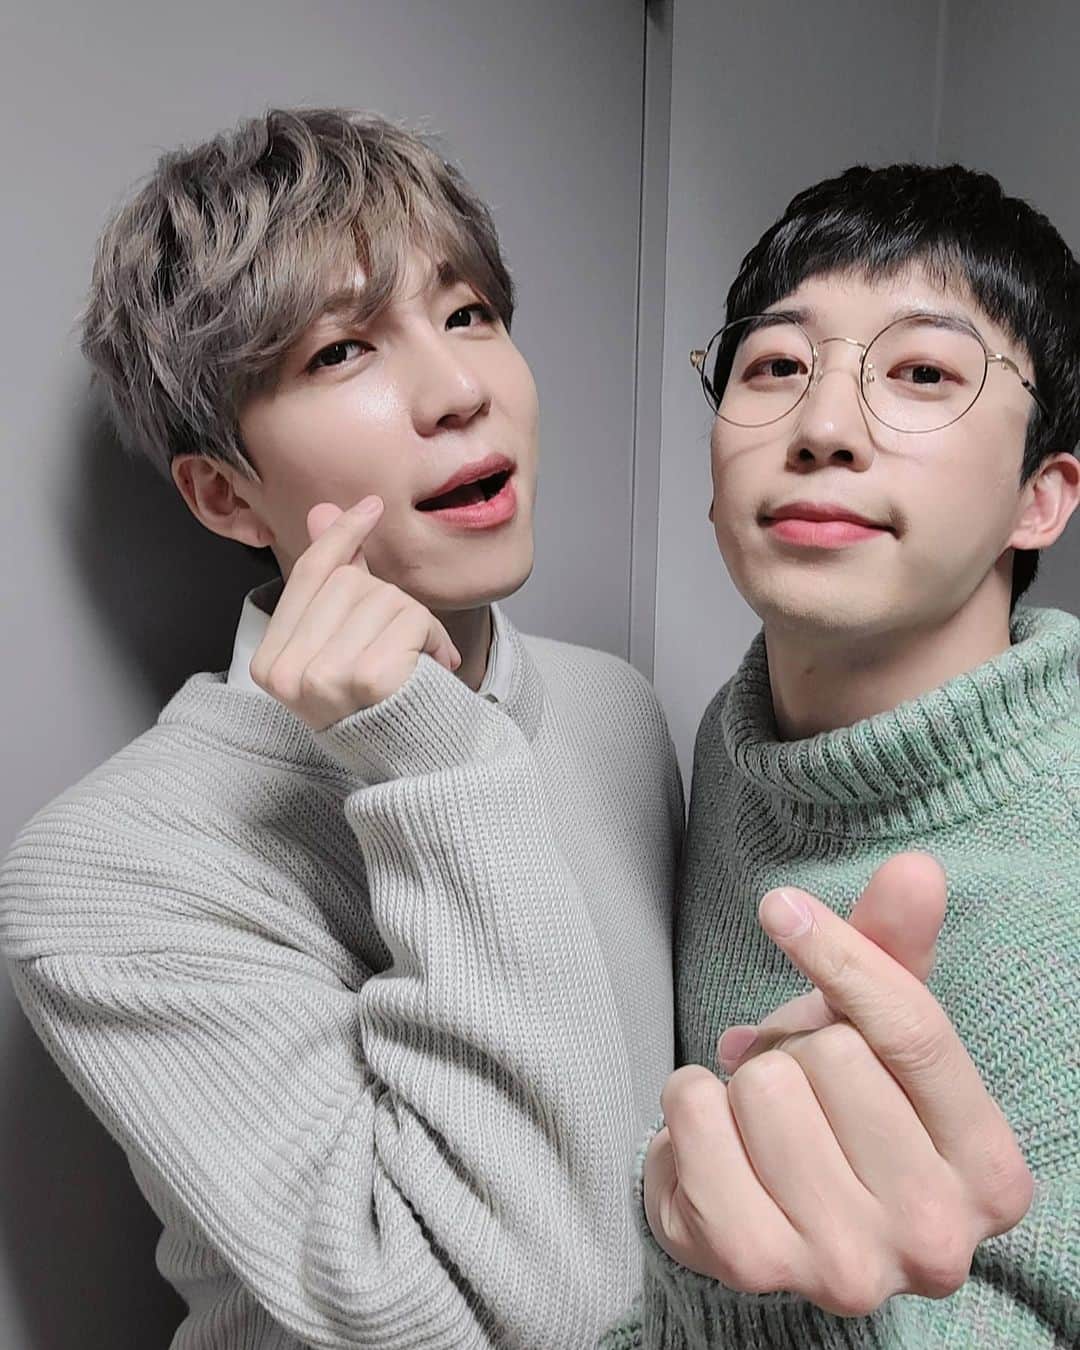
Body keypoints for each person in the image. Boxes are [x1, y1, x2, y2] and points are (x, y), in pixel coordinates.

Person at [0, 110, 1033, 1349]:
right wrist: (431, 768)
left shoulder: (614, 712)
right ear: (225, 493)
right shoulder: (110, 868)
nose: (459, 391)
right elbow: (504, 1314)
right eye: (341, 352)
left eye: (470, 313)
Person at [637, 163, 1080, 1347]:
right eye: (776, 366)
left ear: (1041, 498)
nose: (822, 428)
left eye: (924, 372)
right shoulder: (728, 748)